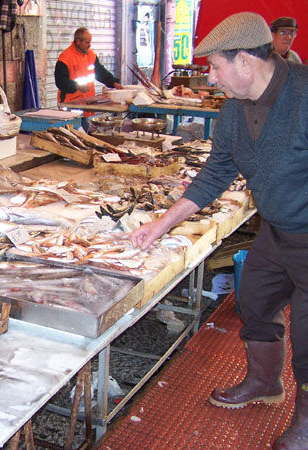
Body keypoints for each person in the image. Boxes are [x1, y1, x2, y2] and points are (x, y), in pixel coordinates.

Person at [131, 12, 308, 449]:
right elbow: (216, 172)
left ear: (246, 61)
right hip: (277, 230)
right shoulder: (233, 110)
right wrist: (163, 221)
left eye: (215, 67)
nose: (211, 78)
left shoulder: (304, 97)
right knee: (255, 300)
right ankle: (265, 382)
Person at [54, 27, 123, 105]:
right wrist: (77, 86)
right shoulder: (65, 57)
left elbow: (100, 72)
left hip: (88, 102)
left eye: (90, 42)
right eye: (87, 42)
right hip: (71, 103)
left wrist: (113, 83)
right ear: (78, 41)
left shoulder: (91, 55)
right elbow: (61, 81)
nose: (89, 45)